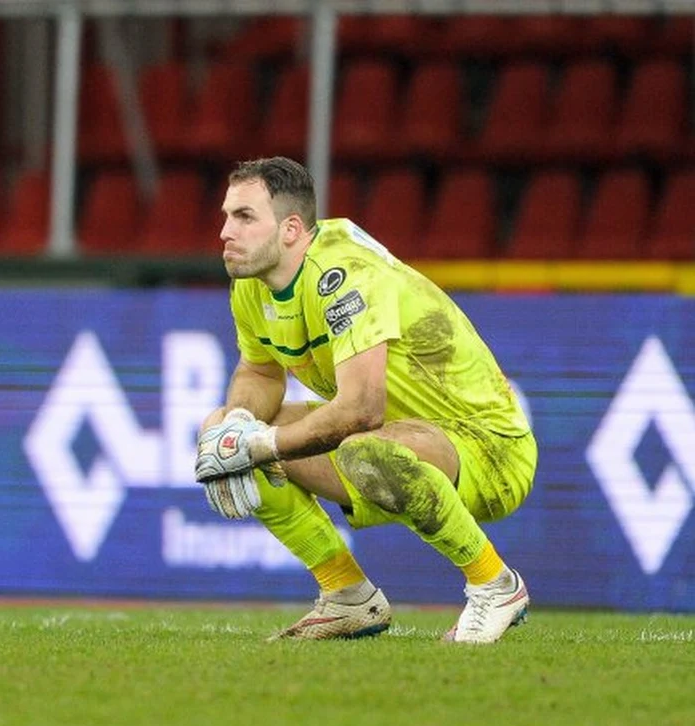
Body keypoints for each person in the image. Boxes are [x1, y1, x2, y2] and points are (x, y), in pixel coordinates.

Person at [196, 157, 536, 644]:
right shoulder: (252, 286)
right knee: (224, 429)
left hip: (490, 450)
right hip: (394, 437)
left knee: (354, 450)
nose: (226, 231)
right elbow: (259, 371)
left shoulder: (344, 275)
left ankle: (495, 584)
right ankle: (347, 596)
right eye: (227, 215)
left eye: (244, 217)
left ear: (292, 229)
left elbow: (361, 411)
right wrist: (238, 426)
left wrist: (260, 445)